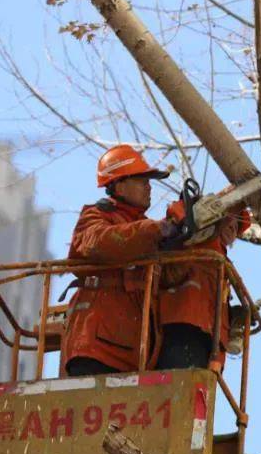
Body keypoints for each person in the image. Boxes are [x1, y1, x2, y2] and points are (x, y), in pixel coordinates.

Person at [60, 144, 180, 376]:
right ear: (119, 184)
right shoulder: (96, 216)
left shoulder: (149, 232)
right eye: (141, 180)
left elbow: (170, 277)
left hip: (136, 353)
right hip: (96, 348)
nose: (149, 187)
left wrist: (185, 237)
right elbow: (99, 243)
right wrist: (157, 230)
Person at [156, 202, 251, 371]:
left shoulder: (223, 264)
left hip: (210, 341)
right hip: (185, 325)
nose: (233, 229)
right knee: (179, 377)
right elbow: (177, 215)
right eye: (231, 221)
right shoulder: (198, 236)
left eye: (237, 227)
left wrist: (232, 317)